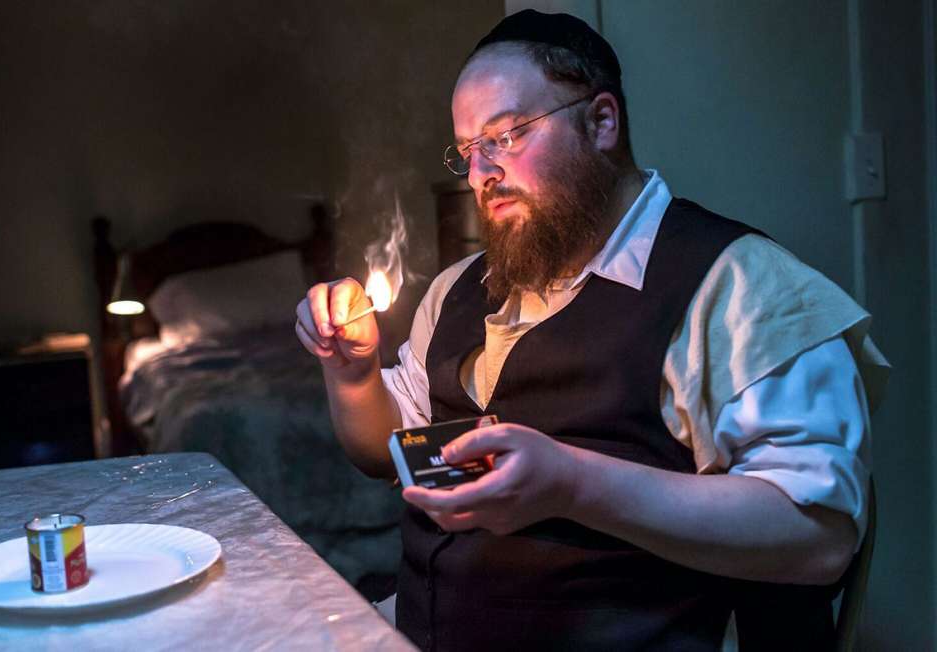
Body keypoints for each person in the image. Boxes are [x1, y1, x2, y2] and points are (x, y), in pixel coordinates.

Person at [295, 9, 888, 651]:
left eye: (507, 135)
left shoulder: (738, 286)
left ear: (601, 121)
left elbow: (819, 538)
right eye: (468, 149)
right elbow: (381, 449)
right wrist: (353, 373)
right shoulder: (457, 288)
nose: (479, 174)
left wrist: (574, 484)